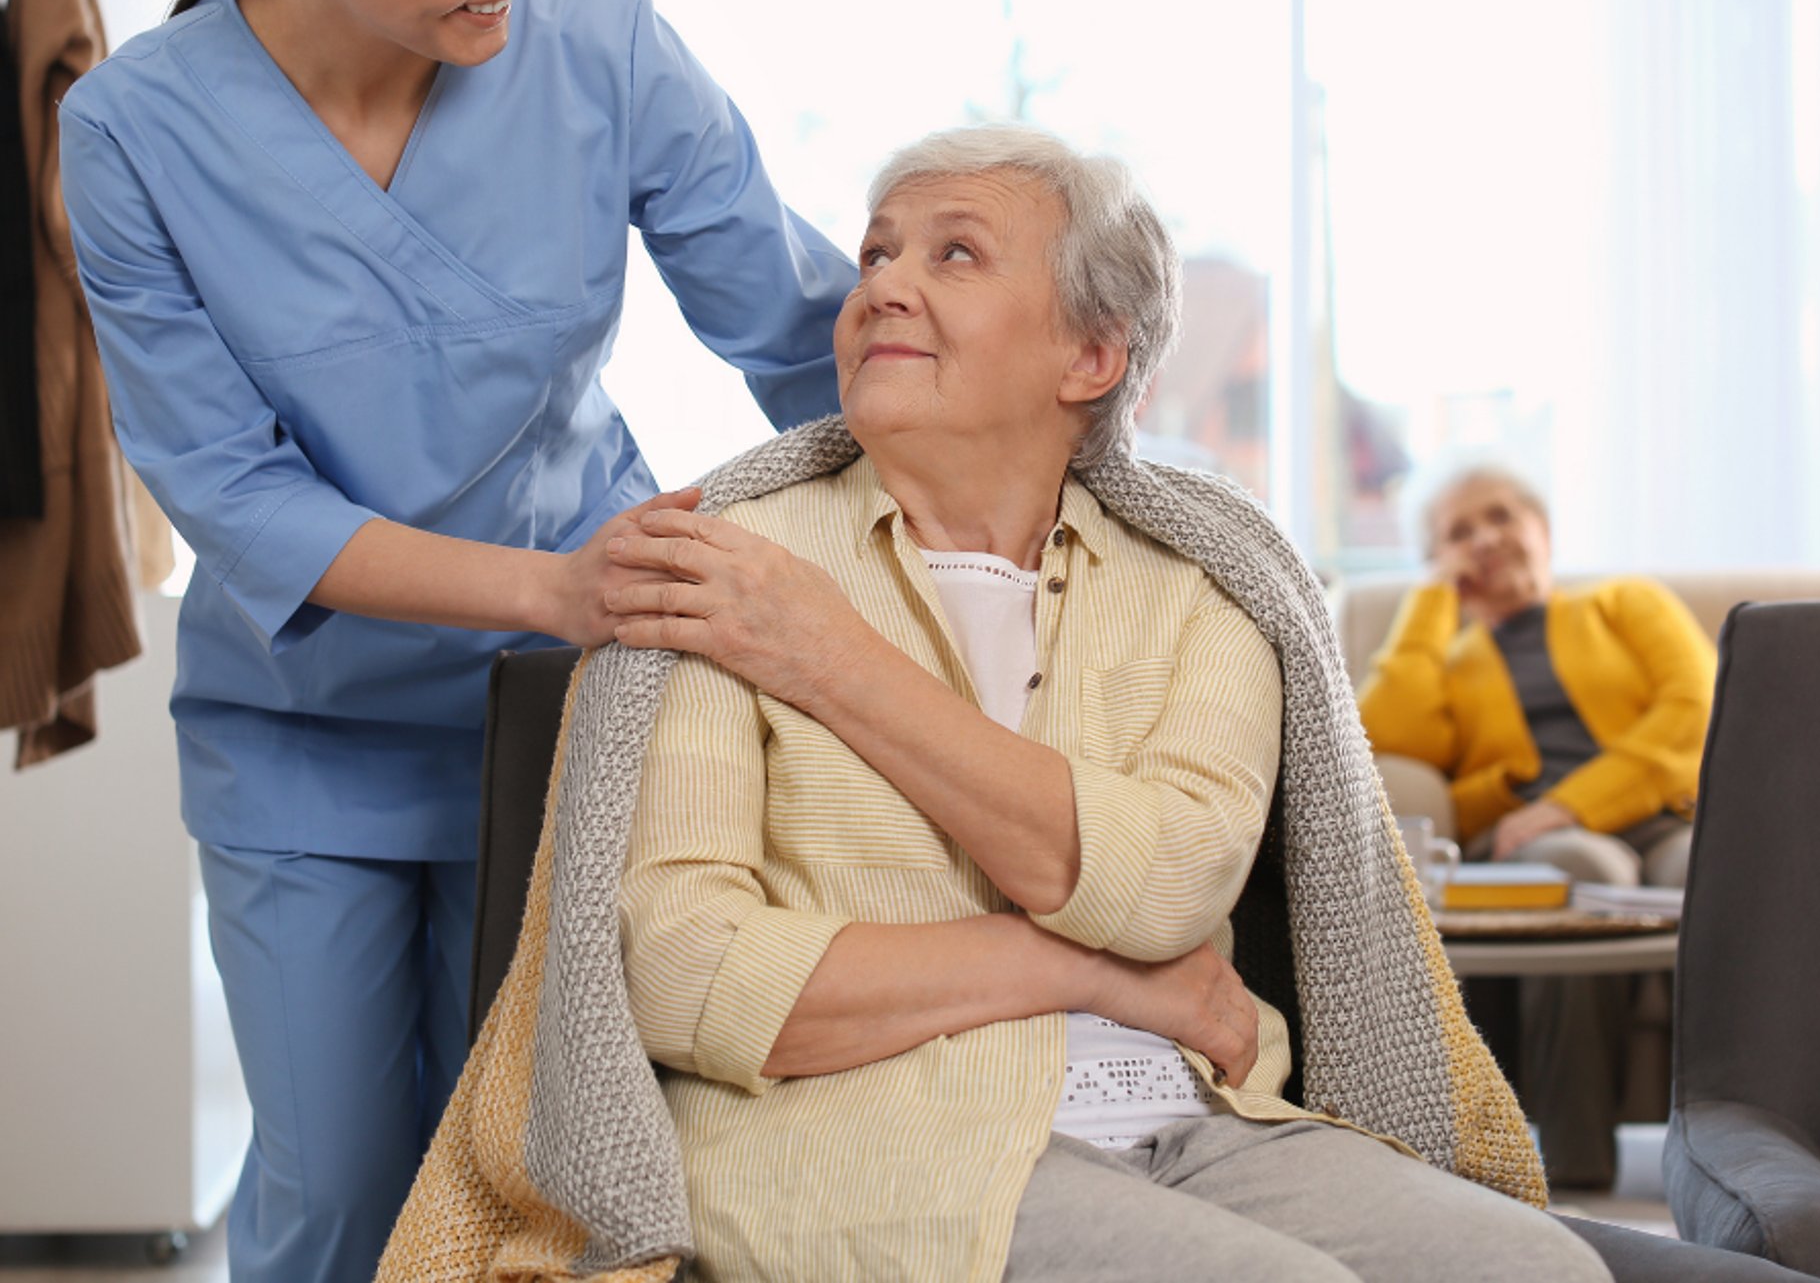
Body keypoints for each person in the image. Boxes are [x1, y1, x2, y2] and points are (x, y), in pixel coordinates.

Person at [56, 0, 852, 1278]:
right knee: (346, 1193)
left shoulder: (604, 49)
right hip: (309, 741)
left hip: (573, 721)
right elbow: (228, 486)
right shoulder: (135, 129)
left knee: (542, 1189)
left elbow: (794, 326)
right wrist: (555, 588)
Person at [590, 127, 1607, 1281]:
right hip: (879, 1138)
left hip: (1206, 1123)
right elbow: (683, 971)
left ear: (1090, 355)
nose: (882, 284)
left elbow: (1170, 884)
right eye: (877, 253)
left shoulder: (1208, 583)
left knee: (1547, 1272)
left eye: (954, 254)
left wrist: (831, 656)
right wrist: (1092, 973)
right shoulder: (735, 570)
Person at [1357, 465, 1716, 1187]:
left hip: (1664, 815)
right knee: (1583, 869)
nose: (1485, 538)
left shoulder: (1626, 602)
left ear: (1541, 530)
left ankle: (1727, 1150)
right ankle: (1575, 1172)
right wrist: (1432, 597)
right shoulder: (1452, 662)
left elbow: (1695, 707)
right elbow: (1383, 734)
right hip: (1540, 843)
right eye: (1459, 533)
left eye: (1500, 517)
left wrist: (1573, 802)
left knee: (1708, 874)